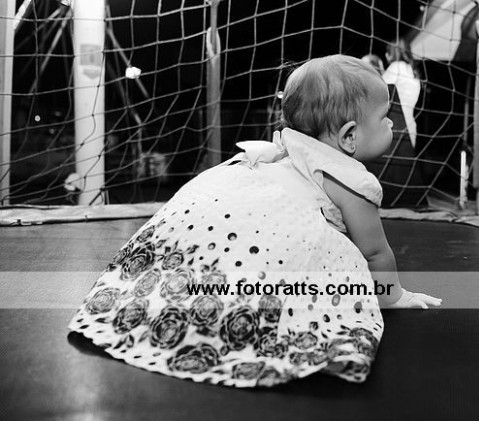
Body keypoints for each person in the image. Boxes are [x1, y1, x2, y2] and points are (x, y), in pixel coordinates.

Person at [68, 55, 441, 388]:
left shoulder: (282, 149)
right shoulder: (352, 180)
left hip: (219, 208)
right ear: (349, 136)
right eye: (384, 116)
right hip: (273, 240)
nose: (391, 123)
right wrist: (394, 298)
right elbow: (374, 252)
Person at [382, 40, 421, 149]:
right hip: (410, 126)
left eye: (388, 51)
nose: (386, 55)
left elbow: (378, 90)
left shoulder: (396, 67)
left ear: (393, 52)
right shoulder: (412, 70)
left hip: (396, 125)